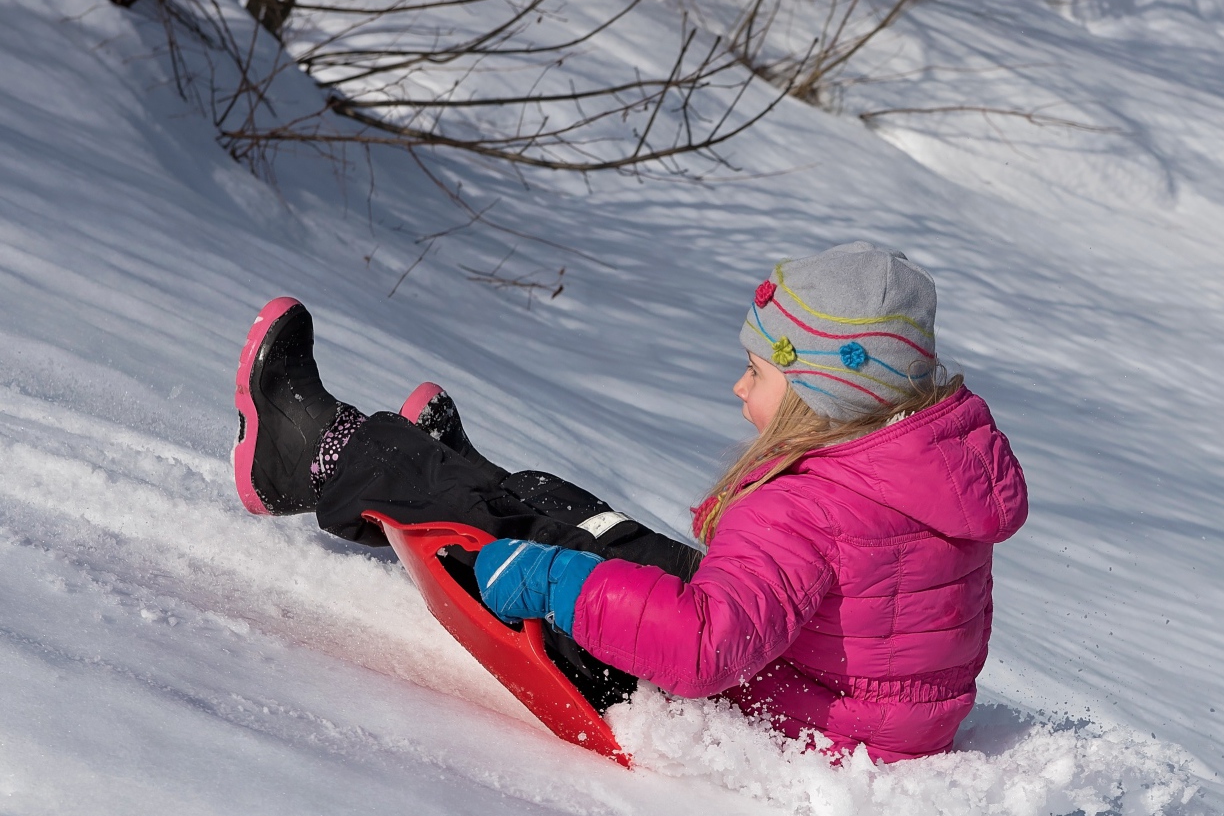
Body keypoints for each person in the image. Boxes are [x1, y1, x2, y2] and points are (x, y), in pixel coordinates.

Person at [231, 242, 1028, 761]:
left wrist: (557, 584)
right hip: (811, 701)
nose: (738, 386)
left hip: (749, 725)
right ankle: (471, 478)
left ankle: (314, 456)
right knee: (571, 513)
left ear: (819, 396)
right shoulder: (920, 474)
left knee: (552, 553)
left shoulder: (805, 509)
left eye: (758, 374)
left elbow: (701, 649)